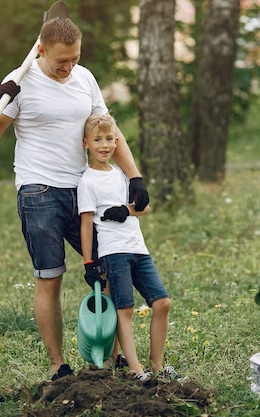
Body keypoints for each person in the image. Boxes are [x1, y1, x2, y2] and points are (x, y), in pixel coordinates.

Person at [0, 17, 149, 381]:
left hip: (85, 188)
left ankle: (113, 357)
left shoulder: (84, 78)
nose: (69, 67)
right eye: (61, 62)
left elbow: (108, 130)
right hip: (39, 191)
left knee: (111, 265)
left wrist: (135, 177)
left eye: (74, 58)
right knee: (50, 277)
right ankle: (59, 366)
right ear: (41, 50)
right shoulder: (20, 82)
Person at [78, 113, 177, 381]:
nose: (104, 145)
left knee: (163, 303)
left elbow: (145, 208)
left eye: (109, 139)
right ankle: (135, 370)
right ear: (86, 143)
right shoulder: (87, 182)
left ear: (117, 141)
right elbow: (86, 225)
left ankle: (157, 367)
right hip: (113, 252)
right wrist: (89, 262)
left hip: (138, 248)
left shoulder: (123, 174)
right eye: (98, 139)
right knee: (124, 308)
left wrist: (126, 210)